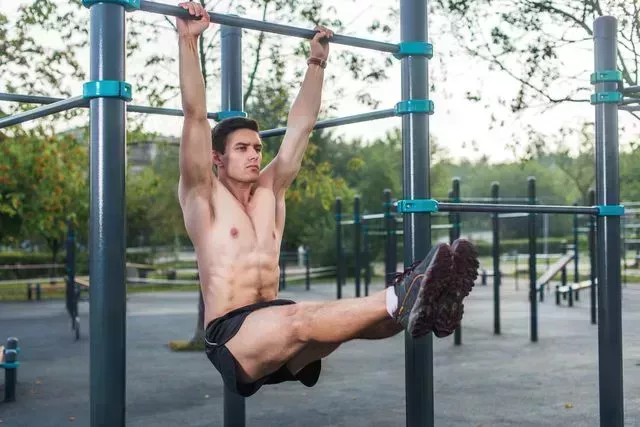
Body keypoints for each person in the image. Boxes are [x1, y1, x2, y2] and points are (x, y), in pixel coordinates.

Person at [176, 2, 479, 398]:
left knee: (378, 323)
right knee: (303, 318)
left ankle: (429, 299)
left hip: (275, 319)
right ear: (217, 157)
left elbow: (301, 127)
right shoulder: (203, 196)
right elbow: (195, 114)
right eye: (242, 149)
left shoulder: (271, 190)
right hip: (233, 337)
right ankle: (410, 287)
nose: (254, 155)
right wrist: (187, 40)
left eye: (256, 147)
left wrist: (316, 64)